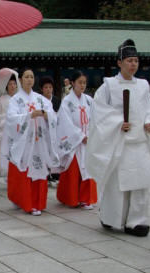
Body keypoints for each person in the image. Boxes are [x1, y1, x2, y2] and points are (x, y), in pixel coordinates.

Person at [86, 39, 150, 237]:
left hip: (140, 142)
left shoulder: (144, 85)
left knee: (141, 183)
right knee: (118, 186)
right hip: (120, 142)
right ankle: (112, 218)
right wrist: (118, 123)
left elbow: (149, 108)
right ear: (119, 63)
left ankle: (137, 221)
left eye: (136, 60)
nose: (133, 64)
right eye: (129, 60)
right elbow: (99, 112)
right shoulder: (109, 86)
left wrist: (149, 121)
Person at [1, 67, 59, 215]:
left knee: (39, 171)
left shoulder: (40, 99)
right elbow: (11, 119)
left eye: (31, 77)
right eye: (26, 77)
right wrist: (29, 116)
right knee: (27, 173)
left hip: (39, 142)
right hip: (25, 143)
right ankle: (29, 203)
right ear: (20, 79)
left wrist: (45, 114)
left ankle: (39, 202)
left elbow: (53, 115)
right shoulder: (16, 99)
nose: (29, 79)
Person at [55, 71, 97, 209]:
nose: (82, 85)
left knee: (88, 169)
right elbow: (65, 123)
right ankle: (71, 197)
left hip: (88, 140)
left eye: (84, 82)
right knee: (74, 170)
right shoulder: (67, 102)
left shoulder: (89, 101)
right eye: (79, 82)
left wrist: (90, 135)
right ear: (72, 83)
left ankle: (86, 198)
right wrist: (80, 136)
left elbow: (96, 119)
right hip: (75, 142)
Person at [0, 68, 19, 182]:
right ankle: (8, 175)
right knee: (7, 155)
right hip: (5, 133)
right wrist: (7, 120)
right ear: (6, 86)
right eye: (10, 84)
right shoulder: (1, 100)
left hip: (18, 132)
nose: (12, 86)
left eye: (14, 84)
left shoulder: (19, 99)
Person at [39, 76, 61, 186]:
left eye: (50, 87)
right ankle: (46, 174)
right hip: (44, 130)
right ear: (42, 89)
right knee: (45, 151)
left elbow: (61, 116)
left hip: (55, 130)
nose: (48, 90)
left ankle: (56, 174)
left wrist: (52, 116)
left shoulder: (57, 100)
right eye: (46, 87)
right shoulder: (39, 101)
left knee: (55, 151)